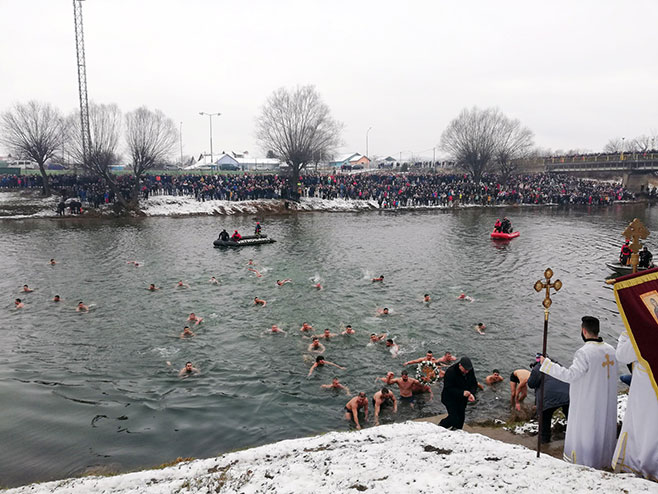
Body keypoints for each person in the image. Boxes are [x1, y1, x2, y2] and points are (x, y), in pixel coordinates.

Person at [539, 316, 618, 468]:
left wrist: (547, 365)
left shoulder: (584, 352)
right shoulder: (611, 350)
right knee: (601, 429)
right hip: (605, 400)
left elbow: (571, 376)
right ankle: (603, 460)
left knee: (587, 431)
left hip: (588, 401)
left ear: (583, 331)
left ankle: (586, 462)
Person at [612, 329, 658, 479]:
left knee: (642, 427)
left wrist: (626, 333)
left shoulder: (645, 331)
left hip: (645, 389)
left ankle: (643, 467)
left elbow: (622, 355)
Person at [528, 357, 570, 444]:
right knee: (570, 417)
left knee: (545, 419)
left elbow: (531, 384)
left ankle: (545, 441)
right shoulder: (557, 365)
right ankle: (572, 437)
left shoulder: (537, 368)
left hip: (547, 397)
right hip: (567, 394)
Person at [439, 356, 479, 430]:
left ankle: (457, 431)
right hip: (450, 398)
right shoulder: (451, 371)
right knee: (453, 418)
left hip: (462, 398)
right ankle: (440, 427)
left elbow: (474, 383)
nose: (467, 372)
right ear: (460, 365)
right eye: (465, 370)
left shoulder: (469, 370)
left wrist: (472, 393)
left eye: (468, 370)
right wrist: (462, 392)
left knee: (461, 418)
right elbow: (448, 388)